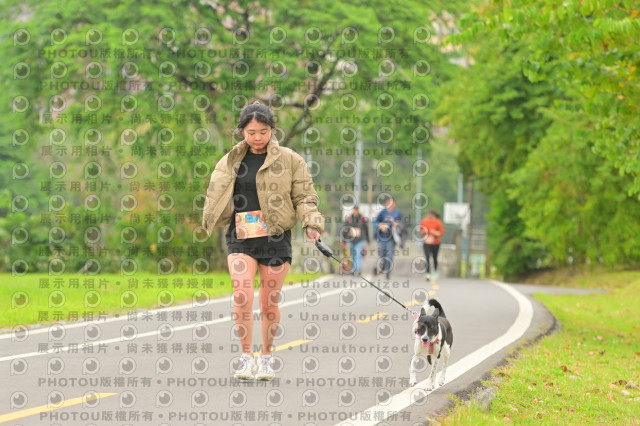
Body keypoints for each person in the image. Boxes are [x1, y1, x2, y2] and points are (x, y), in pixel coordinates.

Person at [201, 100, 324, 381]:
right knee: (242, 295)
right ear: (242, 131)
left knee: (269, 303)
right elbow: (215, 194)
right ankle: (246, 357)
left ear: (272, 130)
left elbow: (305, 196)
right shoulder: (230, 160)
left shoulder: (291, 160)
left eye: (263, 132)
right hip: (241, 236)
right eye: (251, 132)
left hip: (275, 237)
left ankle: (266, 358)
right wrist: (209, 218)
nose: (257, 137)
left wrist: (311, 223)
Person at [373, 196, 403, 279]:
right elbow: (376, 222)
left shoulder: (397, 213)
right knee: (381, 254)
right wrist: (380, 225)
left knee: (389, 255)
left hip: (392, 238)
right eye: (388, 203)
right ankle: (382, 266)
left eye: (391, 203)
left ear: (394, 204)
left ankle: (388, 271)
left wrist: (394, 223)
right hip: (382, 237)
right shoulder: (383, 212)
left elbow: (401, 224)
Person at [342, 205, 370, 276]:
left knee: (358, 254)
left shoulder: (362, 218)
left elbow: (366, 230)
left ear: (358, 210)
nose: (355, 211)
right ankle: (353, 270)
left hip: (359, 240)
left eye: (357, 210)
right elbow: (345, 229)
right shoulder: (349, 218)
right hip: (350, 240)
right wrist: (343, 240)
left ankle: (358, 269)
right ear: (353, 210)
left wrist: (368, 240)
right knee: (352, 255)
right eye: (354, 210)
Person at [420, 209, 444, 282]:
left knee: (434, 258)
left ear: (433, 216)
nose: (429, 217)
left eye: (430, 216)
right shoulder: (424, 221)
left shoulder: (438, 222)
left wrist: (434, 232)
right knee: (427, 258)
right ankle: (428, 274)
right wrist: (424, 231)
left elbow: (441, 233)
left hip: (435, 243)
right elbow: (421, 231)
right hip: (426, 242)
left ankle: (435, 272)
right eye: (428, 215)